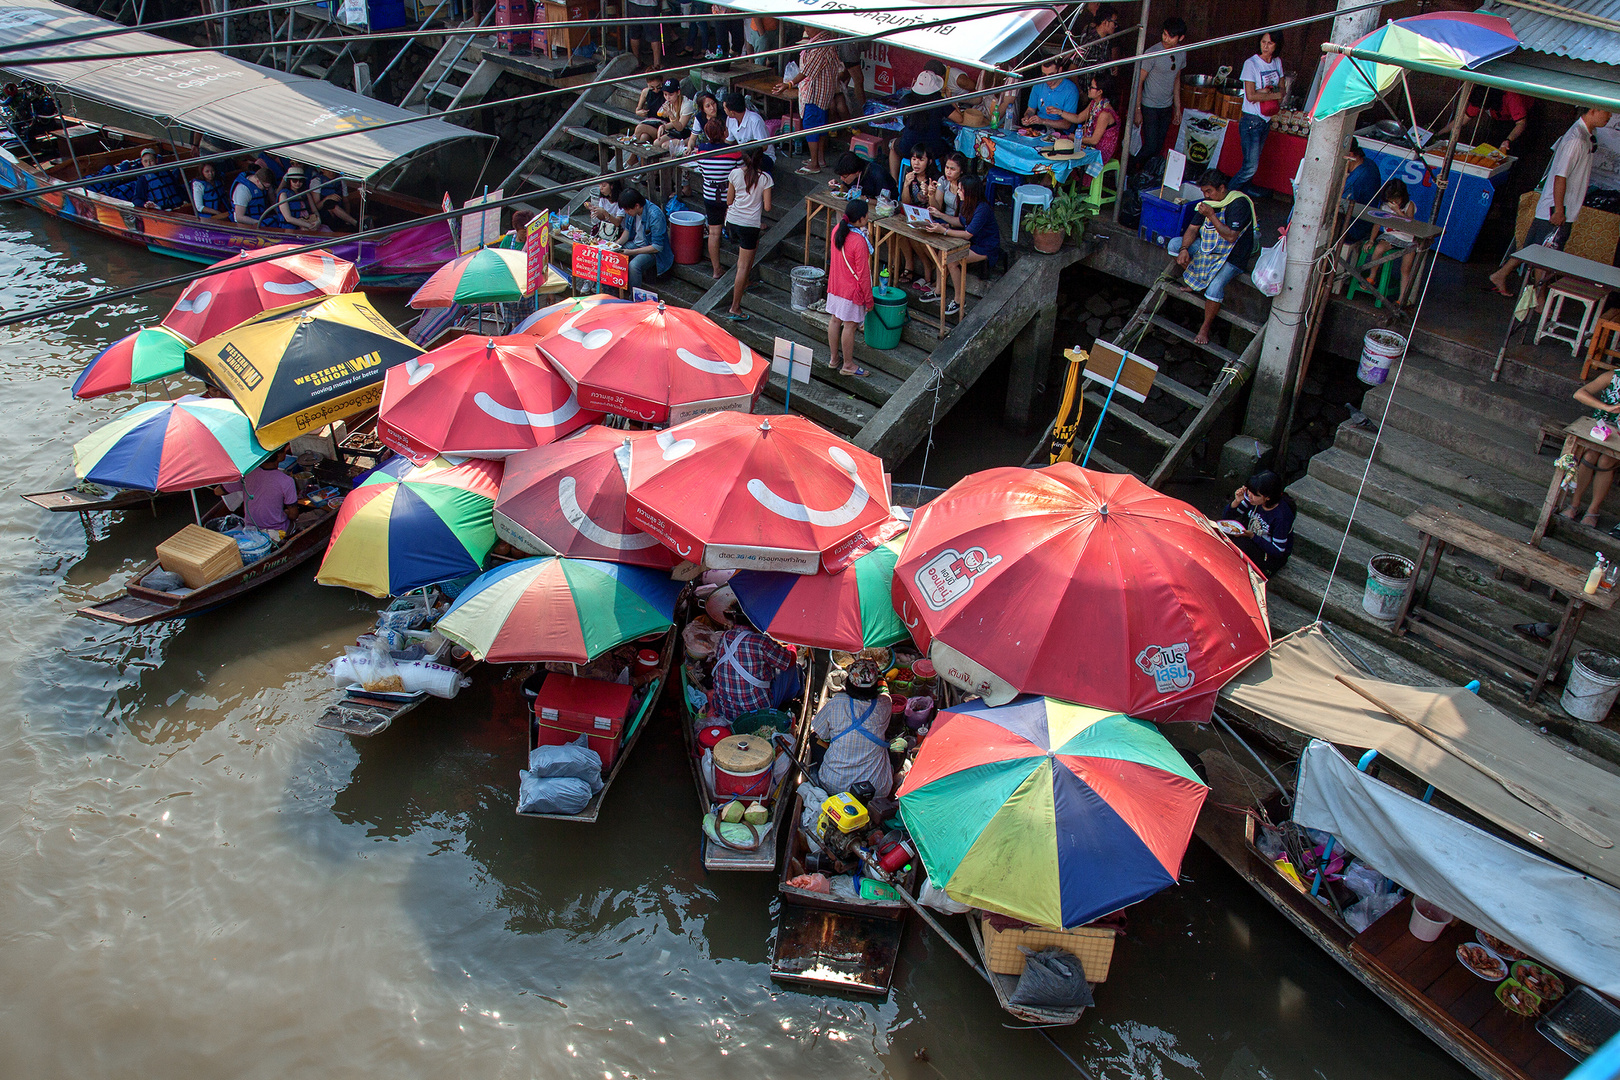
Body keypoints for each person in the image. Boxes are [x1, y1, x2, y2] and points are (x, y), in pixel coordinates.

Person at [1489, 107, 1612, 296]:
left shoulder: (1587, 135)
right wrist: (1558, 210)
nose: (1610, 116)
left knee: (1535, 248)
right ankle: (1537, 297)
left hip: (1562, 205)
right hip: (1557, 206)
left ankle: (1503, 275)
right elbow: (1560, 177)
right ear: (1593, 110)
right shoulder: (1575, 140)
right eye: (1607, 111)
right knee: (1544, 253)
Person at [1168, 168, 1258, 344]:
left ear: (1222, 188)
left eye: (1209, 191)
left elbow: (1231, 236)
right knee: (1174, 245)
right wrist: (1185, 248)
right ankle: (1197, 281)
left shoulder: (1238, 204)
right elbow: (1193, 229)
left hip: (1233, 256)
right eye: (1204, 192)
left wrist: (1211, 215)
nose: (1206, 195)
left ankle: (1204, 328)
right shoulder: (1207, 202)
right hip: (1210, 248)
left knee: (1214, 288)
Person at [810, 659, 894, 799]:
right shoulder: (885, 704)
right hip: (876, 788)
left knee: (814, 737)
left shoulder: (837, 702)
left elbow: (822, 734)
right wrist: (878, 673)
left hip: (835, 785)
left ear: (848, 684)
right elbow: (884, 689)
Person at [926, 175, 999, 319]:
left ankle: (959, 300)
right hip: (973, 243)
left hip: (985, 247)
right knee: (942, 254)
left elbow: (967, 234)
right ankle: (939, 291)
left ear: (970, 192)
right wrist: (940, 215)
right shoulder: (968, 204)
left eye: (960, 189)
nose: (958, 192)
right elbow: (960, 221)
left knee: (952, 260)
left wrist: (944, 231)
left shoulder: (982, 209)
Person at [708, 618, 797, 722]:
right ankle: (794, 697)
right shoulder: (760, 641)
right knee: (791, 668)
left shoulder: (725, 636)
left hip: (726, 712)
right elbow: (788, 660)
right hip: (756, 712)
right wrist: (792, 647)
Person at [780, 27, 841, 175]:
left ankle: (814, 164)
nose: (805, 28)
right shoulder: (824, 39)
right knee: (820, 125)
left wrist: (789, 84)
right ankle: (819, 159)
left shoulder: (822, 45)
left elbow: (808, 70)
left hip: (816, 92)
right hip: (821, 92)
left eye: (807, 26)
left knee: (811, 126)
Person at [723, 147, 773, 321]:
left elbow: (729, 200)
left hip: (732, 221)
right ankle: (735, 307)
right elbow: (767, 207)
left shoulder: (735, 173)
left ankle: (746, 282)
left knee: (750, 252)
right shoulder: (765, 178)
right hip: (749, 225)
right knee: (742, 266)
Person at [825, 199, 873, 377]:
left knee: (835, 320)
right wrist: (869, 300)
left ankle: (833, 359)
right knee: (850, 326)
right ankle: (848, 364)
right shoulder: (858, 241)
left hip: (836, 286)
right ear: (861, 219)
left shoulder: (838, 229)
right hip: (851, 291)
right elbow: (863, 275)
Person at [1567, 368, 1620, 527]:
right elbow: (1579, 394)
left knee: (1605, 460)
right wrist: (1607, 408)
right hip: (1600, 429)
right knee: (1590, 456)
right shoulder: (1613, 376)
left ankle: (1593, 510)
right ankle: (1574, 505)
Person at [1218, 471, 1294, 575]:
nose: (1250, 496)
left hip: (1268, 555)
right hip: (1250, 538)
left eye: (1255, 495)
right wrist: (1237, 501)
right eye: (1249, 491)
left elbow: (1278, 550)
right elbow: (1227, 518)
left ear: (1268, 497)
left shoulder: (1282, 516)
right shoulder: (1253, 500)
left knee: (1238, 545)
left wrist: (1253, 536)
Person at [1135, 17, 1187, 170]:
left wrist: (1177, 107)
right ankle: (1130, 168)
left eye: (1171, 36)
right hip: (1149, 105)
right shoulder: (1152, 53)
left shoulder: (1182, 53)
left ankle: (1143, 175)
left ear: (1180, 38)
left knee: (1158, 147)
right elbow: (1139, 82)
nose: (1165, 38)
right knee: (1150, 146)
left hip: (1166, 106)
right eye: (1164, 34)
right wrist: (1137, 110)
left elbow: (1177, 79)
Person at [1235, 33, 1284, 193]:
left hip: (1266, 119)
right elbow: (1251, 96)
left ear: (1277, 45)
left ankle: (1244, 191)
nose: (1266, 46)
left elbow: (1283, 87)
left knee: (1251, 162)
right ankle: (1227, 194)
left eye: (1270, 43)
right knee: (1250, 166)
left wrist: (1266, 92)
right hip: (1251, 120)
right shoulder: (1251, 64)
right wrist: (1274, 94)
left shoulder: (1277, 62)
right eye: (1263, 42)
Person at [889, 63, 949, 182]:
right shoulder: (940, 101)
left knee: (893, 145)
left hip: (908, 146)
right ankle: (942, 182)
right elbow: (960, 119)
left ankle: (894, 181)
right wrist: (950, 98)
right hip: (932, 149)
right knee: (946, 149)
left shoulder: (909, 98)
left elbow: (898, 111)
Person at [694, 119, 739, 277]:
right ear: (724, 133)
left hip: (710, 195)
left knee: (714, 232)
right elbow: (740, 171)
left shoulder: (702, 150)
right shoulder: (735, 151)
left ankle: (716, 269)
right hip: (729, 194)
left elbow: (700, 169)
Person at [1368, 179, 1421, 308]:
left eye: (1396, 199)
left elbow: (1409, 223)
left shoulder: (1409, 205)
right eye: (1390, 199)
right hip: (1390, 236)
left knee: (1405, 269)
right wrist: (1371, 240)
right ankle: (1372, 276)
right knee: (1379, 249)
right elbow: (1377, 224)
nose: (1393, 202)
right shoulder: (1384, 206)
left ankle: (1402, 299)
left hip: (1407, 238)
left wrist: (1398, 211)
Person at [222, 452, 301, 537]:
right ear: (279, 455)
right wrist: (286, 512)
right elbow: (293, 515)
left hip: (250, 528)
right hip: (277, 531)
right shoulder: (287, 481)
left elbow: (218, 491)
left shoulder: (248, 473)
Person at [896, 143, 937, 288]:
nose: (916, 163)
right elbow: (905, 203)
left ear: (929, 161)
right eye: (914, 159)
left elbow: (937, 208)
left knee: (917, 235)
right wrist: (906, 185)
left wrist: (930, 194)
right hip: (913, 217)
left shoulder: (934, 179)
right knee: (900, 231)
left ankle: (928, 269)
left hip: (930, 219)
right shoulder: (910, 176)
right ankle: (920, 266)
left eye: (920, 159)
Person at [1055, 74, 1120, 164]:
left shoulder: (1105, 114)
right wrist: (1059, 112)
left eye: (1091, 87)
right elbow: (1078, 118)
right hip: (1089, 143)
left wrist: (1075, 138)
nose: (1088, 89)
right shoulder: (1094, 103)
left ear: (1099, 92)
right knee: (1059, 141)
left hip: (1099, 152)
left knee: (1065, 154)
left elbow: (1094, 140)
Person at [617, 187, 673, 291]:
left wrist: (631, 252)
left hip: (652, 250)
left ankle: (634, 299)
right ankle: (614, 291)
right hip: (636, 243)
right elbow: (627, 231)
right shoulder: (632, 211)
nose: (626, 212)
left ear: (637, 206)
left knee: (634, 266)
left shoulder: (655, 215)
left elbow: (657, 247)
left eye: (627, 209)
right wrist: (616, 245)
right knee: (614, 254)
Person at [1021, 56, 1079, 134]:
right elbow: (1031, 109)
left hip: (1060, 132)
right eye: (1044, 75)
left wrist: (1043, 121)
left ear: (1060, 70)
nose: (1047, 79)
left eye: (1051, 75)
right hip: (1039, 128)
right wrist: (1027, 117)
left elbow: (1066, 124)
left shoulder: (1071, 90)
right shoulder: (1039, 84)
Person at [723, 92, 775, 173]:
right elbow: (728, 141)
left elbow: (764, 146)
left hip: (762, 157)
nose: (724, 110)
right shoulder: (730, 119)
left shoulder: (755, 120)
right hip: (744, 156)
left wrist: (744, 153)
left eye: (725, 109)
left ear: (732, 112)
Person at [264, 166, 322, 230]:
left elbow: (314, 210)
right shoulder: (284, 195)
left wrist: (318, 221)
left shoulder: (306, 194)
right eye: (294, 180)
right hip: (293, 227)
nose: (298, 183)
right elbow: (288, 218)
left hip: (310, 222)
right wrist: (308, 225)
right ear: (289, 181)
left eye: (301, 180)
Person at [626, 0, 665, 71]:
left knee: (634, 34)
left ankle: (637, 62)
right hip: (650, 5)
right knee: (654, 36)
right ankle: (657, 64)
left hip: (632, 3)